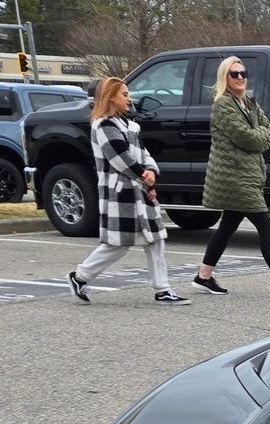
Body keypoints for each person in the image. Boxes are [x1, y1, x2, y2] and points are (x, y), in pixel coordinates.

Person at [193, 56, 270, 298]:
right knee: (265, 225)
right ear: (225, 78)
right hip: (234, 176)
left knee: (227, 226)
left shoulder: (249, 102)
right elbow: (247, 137)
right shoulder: (223, 105)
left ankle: (203, 277)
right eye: (234, 74)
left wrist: (260, 135)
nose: (240, 78)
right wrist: (260, 135)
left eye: (243, 73)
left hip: (248, 174)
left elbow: (267, 131)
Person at [67, 76, 188, 304]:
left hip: (138, 191)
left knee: (155, 239)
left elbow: (144, 154)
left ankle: (162, 290)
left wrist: (152, 171)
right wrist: (146, 178)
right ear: (110, 97)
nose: (129, 98)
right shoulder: (104, 126)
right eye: (124, 94)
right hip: (120, 194)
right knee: (118, 245)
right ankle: (80, 277)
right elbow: (120, 158)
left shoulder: (129, 125)